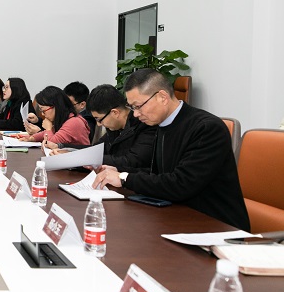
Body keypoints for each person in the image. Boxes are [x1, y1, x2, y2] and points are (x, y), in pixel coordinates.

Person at [93, 69, 249, 230]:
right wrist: (119, 171)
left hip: (216, 225)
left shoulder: (206, 128)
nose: (136, 114)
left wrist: (124, 178)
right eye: (132, 108)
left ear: (162, 97)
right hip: (179, 216)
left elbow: (181, 184)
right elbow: (160, 174)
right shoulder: (163, 124)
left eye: (138, 106)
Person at [50, 84, 156, 169]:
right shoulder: (114, 127)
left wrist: (79, 158)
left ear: (115, 113)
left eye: (99, 119)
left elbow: (130, 161)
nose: (99, 124)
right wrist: (63, 148)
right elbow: (96, 149)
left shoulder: (145, 125)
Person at [18, 86, 90, 145]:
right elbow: (48, 134)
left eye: (43, 110)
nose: (42, 114)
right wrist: (31, 138)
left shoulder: (74, 122)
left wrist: (48, 129)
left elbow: (51, 144)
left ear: (56, 107)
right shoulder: (64, 118)